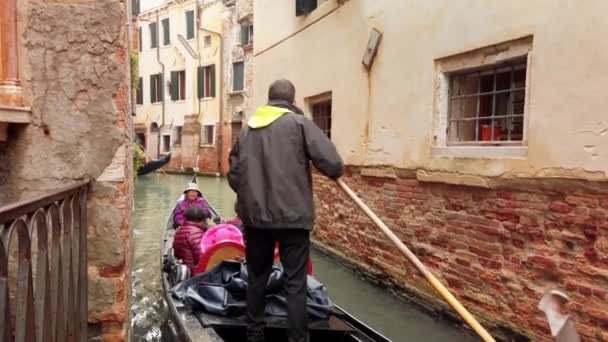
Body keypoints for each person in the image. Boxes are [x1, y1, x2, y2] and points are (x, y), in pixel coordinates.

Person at [228, 79, 344, 342]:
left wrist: (253, 197)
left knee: (257, 278)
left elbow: (234, 176)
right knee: (295, 283)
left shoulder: (247, 131)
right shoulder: (300, 124)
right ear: (292, 101)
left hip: (256, 220)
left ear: (269, 100)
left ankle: (254, 335)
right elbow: (334, 164)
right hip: (293, 220)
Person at [173, 206, 208, 271]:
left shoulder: (179, 231)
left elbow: (176, 254)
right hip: (194, 272)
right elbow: (202, 259)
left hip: (183, 268)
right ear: (202, 220)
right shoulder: (197, 233)